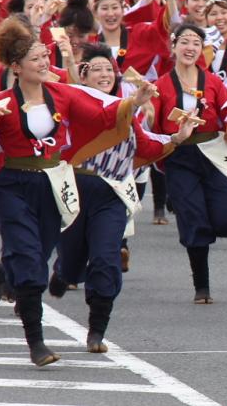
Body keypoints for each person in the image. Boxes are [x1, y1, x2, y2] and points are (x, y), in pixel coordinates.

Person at [0, 16, 155, 366]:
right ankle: (36, 342)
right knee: (29, 263)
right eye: (36, 59)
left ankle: (5, 272)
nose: (44, 63)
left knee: (38, 256)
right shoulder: (2, 101)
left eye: (44, 56)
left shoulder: (62, 94)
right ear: (16, 66)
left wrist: (133, 103)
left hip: (53, 183)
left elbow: (100, 112)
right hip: (13, 186)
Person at [48, 43, 193, 352]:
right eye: (96, 69)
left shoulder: (124, 109)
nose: (104, 74)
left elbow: (145, 146)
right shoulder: (74, 100)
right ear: (83, 75)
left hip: (111, 195)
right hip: (75, 191)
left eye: (108, 69)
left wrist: (177, 138)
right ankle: (63, 271)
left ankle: (97, 330)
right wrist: (132, 103)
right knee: (72, 263)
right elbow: (93, 118)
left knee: (106, 257)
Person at [151, 23, 227, 303]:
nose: (190, 47)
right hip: (180, 158)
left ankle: (192, 210)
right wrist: (147, 113)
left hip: (214, 154)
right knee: (195, 223)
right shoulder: (161, 85)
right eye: (185, 41)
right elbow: (153, 126)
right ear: (174, 46)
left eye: (196, 42)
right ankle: (201, 286)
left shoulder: (213, 82)